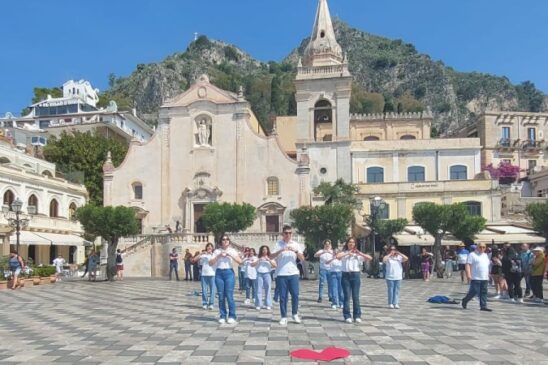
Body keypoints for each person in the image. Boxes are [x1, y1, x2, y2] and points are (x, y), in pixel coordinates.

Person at [270, 225, 305, 326]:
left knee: (295, 295)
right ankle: (283, 316)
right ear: (282, 234)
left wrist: (295, 251)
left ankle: (294, 314)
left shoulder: (296, 244)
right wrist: (281, 250)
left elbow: (302, 258)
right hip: (281, 273)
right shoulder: (278, 244)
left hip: (293, 273)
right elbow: (271, 256)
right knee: (283, 296)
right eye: (286, 233)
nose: (288, 235)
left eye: (290, 233)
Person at [337, 237, 372, 323]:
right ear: (347, 244)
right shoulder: (344, 253)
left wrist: (359, 253)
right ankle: (347, 315)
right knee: (347, 297)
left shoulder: (357, 255)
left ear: (355, 244)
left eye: (353, 243)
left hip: (355, 275)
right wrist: (347, 253)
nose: (351, 244)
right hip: (345, 275)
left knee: (355, 297)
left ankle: (357, 315)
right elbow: (337, 256)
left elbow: (369, 258)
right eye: (350, 242)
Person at [209, 234, 242, 324]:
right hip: (219, 273)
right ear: (221, 241)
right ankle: (222, 315)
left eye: (227, 239)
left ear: (229, 241)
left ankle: (232, 315)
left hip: (229, 273)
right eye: (223, 239)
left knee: (229, 295)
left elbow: (240, 262)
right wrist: (218, 256)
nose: (225, 241)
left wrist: (230, 255)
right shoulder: (217, 251)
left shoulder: (232, 250)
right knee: (221, 295)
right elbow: (210, 263)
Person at [461, 243, 492, 311]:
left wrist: (489, 274)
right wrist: (468, 275)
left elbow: (487, 266)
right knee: (474, 291)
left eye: (484, 247)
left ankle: (483, 306)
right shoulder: (472, 254)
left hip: (484, 277)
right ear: (477, 247)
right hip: (475, 277)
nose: (482, 249)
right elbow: (468, 265)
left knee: (483, 292)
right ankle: (465, 300)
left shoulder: (485, 255)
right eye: (480, 247)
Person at [252, 245, 276, 310]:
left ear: (268, 250)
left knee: (268, 289)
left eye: (266, 249)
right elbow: (252, 264)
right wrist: (259, 260)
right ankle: (258, 304)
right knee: (258, 289)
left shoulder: (270, 257)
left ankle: (268, 304)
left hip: (267, 274)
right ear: (261, 250)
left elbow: (275, 265)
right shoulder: (257, 257)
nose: (264, 251)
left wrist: (269, 260)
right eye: (263, 249)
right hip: (259, 274)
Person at [194, 243, 216, 309]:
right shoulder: (203, 255)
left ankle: (211, 303)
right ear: (206, 248)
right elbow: (194, 259)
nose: (209, 248)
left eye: (210, 247)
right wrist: (201, 253)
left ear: (212, 248)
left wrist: (211, 255)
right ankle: (205, 303)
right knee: (204, 289)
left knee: (213, 290)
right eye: (208, 247)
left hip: (212, 274)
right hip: (204, 274)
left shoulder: (214, 255)